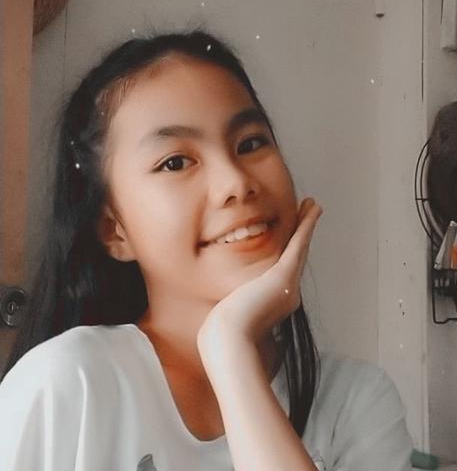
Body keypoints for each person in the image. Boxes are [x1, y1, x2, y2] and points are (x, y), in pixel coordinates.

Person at [0, 27, 413, 470]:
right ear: (114, 230)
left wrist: (230, 351)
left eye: (250, 143)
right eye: (175, 162)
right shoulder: (66, 383)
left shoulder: (356, 403)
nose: (236, 181)